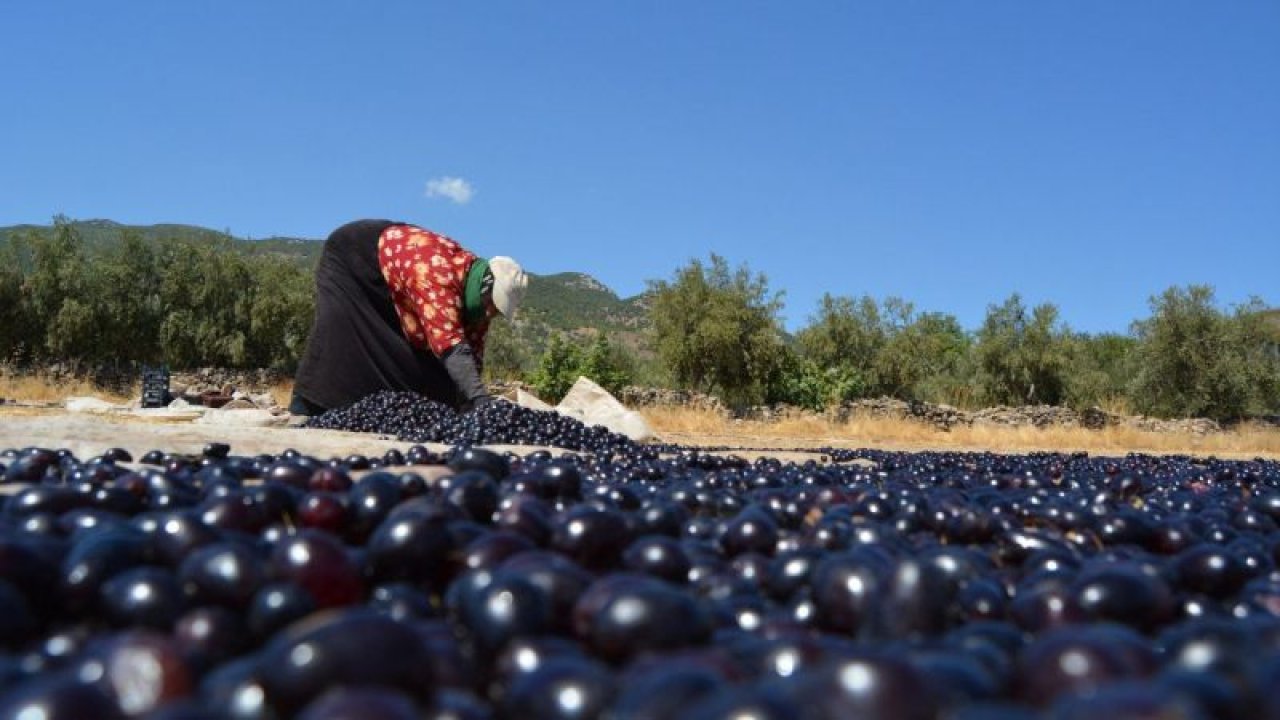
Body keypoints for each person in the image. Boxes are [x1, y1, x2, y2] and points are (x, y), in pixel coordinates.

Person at [289, 219, 527, 416]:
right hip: (354, 257)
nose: (489, 314)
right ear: (485, 286)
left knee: (434, 382)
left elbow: (470, 359)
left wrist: (470, 408)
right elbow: (451, 346)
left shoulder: (477, 307)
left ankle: (375, 414)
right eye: (491, 305)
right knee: (341, 332)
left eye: (495, 311)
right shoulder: (437, 270)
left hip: (397, 285)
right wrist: (480, 401)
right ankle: (306, 406)